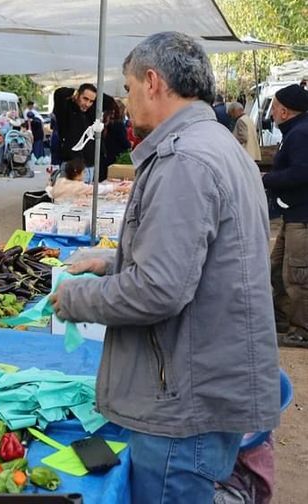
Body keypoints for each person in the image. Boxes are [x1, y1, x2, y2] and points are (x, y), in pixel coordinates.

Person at [50, 31, 280, 503]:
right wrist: (113, 262)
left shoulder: (185, 159)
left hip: (182, 395)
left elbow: (159, 289)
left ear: (153, 82)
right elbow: (206, 257)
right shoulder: (212, 142)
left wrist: (74, 298)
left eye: (129, 87)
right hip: (202, 377)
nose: (127, 100)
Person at [262, 84, 308, 345]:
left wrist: (269, 179)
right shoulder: (296, 131)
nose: (273, 111)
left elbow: (302, 172)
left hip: (303, 217)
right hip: (293, 215)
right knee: (278, 269)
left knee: (297, 275)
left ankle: (302, 330)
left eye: (276, 106)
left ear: (285, 111)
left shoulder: (301, 133)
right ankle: (282, 317)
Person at [53, 83, 97, 183]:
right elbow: (59, 93)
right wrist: (73, 91)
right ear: (77, 95)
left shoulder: (90, 114)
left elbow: (107, 101)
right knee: (69, 197)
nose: (87, 104)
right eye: (85, 99)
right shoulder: (66, 110)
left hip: (90, 166)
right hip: (73, 166)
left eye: (91, 101)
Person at [50, 157, 128, 203]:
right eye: (83, 172)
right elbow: (98, 189)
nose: (85, 174)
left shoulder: (60, 181)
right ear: (77, 174)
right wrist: (117, 187)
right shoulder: (79, 186)